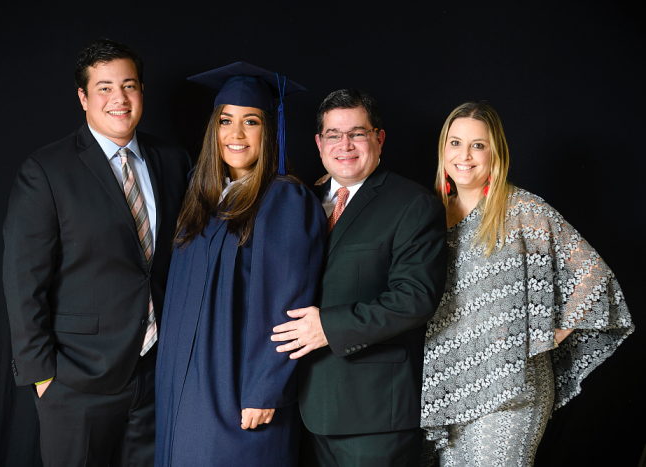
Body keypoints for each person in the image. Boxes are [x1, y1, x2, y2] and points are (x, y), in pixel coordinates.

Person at [2, 39, 191, 467]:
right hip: (76, 380)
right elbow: (23, 280)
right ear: (83, 98)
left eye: (129, 85)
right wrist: (43, 376)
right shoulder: (46, 170)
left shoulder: (173, 161)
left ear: (141, 92)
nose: (119, 99)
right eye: (104, 88)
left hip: (156, 373)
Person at [420, 101, 635, 466]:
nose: (464, 155)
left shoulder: (522, 210)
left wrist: (549, 334)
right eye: (455, 143)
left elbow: (593, 275)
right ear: (443, 149)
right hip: (450, 384)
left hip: (513, 386)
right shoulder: (426, 213)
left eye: (478, 145)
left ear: (495, 153)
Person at [154, 62, 327, 467]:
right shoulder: (201, 195)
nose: (236, 134)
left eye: (251, 122)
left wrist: (266, 389)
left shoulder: (283, 200)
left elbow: (288, 301)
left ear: (269, 131)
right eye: (225, 121)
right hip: (182, 383)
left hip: (236, 388)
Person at [271, 89, 448, 467]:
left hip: (375, 414)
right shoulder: (301, 200)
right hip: (303, 409)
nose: (345, 145)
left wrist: (328, 327)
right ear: (319, 143)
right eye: (334, 135)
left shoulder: (413, 204)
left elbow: (415, 298)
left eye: (357, 133)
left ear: (379, 138)